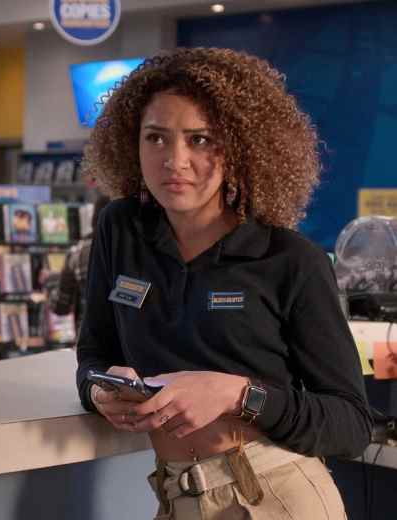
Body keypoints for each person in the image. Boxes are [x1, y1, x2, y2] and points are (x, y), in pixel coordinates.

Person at [76, 48, 371, 519]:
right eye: (156, 138)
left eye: (199, 139)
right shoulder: (120, 229)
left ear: (238, 147)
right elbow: (94, 353)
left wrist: (239, 394)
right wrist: (100, 390)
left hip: (274, 495)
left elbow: (351, 426)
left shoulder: (290, 260)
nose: (175, 160)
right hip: (175, 497)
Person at [48, 194, 110, 322]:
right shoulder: (136, 250)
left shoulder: (79, 251)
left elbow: (60, 306)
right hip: (132, 338)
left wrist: (50, 281)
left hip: (91, 334)